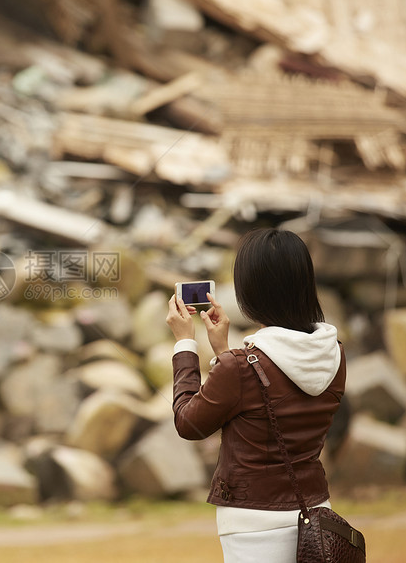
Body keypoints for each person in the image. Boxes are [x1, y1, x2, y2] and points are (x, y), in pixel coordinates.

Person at [165, 228, 345, 563]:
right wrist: (223, 350)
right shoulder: (334, 354)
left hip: (252, 525)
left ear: (251, 292)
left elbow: (189, 423)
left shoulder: (241, 367)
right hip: (316, 514)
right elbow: (268, 396)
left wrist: (184, 343)